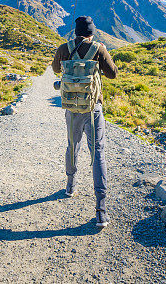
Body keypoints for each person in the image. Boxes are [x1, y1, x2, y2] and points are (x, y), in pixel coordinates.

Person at [52, 15, 117, 228]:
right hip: (93, 108)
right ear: (91, 32)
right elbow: (112, 74)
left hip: (71, 108)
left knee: (73, 146)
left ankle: (70, 185)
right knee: (97, 152)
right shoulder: (99, 49)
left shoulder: (64, 47)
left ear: (76, 30)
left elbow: (55, 69)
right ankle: (101, 210)